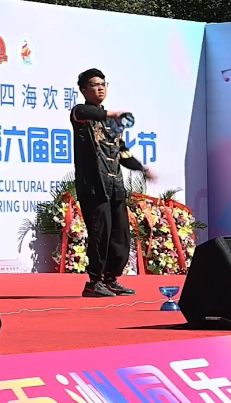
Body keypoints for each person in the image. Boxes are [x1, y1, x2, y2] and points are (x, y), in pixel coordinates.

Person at [70, 68, 155, 298]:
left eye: (103, 84)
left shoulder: (112, 124)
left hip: (115, 186)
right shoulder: (80, 114)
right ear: (84, 90)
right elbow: (85, 111)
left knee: (120, 234)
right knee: (101, 233)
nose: (100, 88)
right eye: (94, 85)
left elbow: (123, 153)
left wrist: (142, 169)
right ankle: (93, 282)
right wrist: (112, 113)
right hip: (93, 185)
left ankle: (111, 279)